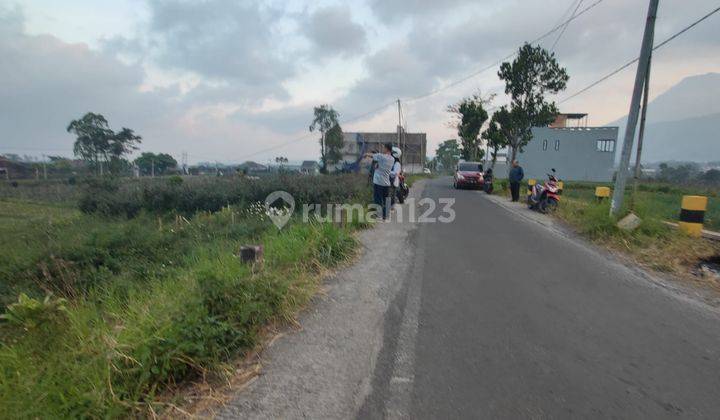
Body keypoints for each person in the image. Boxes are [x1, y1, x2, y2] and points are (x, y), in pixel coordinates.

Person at [364, 143, 395, 220]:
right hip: (386, 183)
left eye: (384, 147)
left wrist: (366, 154)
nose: (383, 149)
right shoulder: (392, 159)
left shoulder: (381, 156)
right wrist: (378, 166)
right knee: (386, 200)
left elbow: (372, 156)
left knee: (378, 199)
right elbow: (379, 165)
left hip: (378, 182)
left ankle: (379, 215)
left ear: (387, 149)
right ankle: (386, 215)